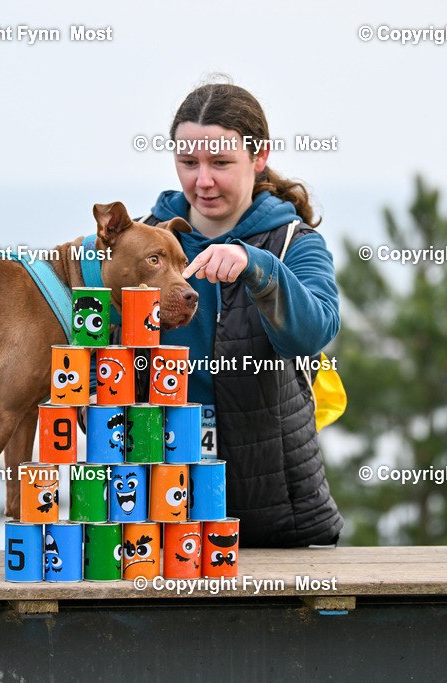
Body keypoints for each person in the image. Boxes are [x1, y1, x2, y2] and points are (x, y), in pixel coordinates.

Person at [143, 80, 344, 547]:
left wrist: (260, 269)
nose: (203, 180)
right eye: (188, 163)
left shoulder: (295, 244)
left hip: (275, 520)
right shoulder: (141, 241)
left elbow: (313, 332)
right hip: (155, 516)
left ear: (259, 157)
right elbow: (79, 337)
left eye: (221, 163)